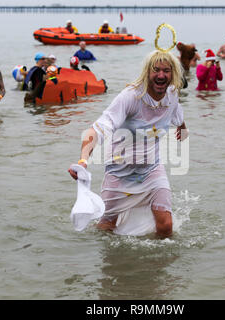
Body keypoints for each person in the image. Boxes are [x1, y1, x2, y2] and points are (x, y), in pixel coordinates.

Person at [68, 50, 188, 238]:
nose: (161, 75)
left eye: (166, 71)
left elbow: (177, 113)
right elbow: (98, 129)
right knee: (107, 227)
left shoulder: (172, 94)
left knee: (166, 226)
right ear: (147, 72)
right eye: (156, 70)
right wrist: (83, 160)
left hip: (151, 169)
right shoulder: (131, 97)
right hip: (119, 172)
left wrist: (182, 127)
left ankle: (157, 265)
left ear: (174, 74)